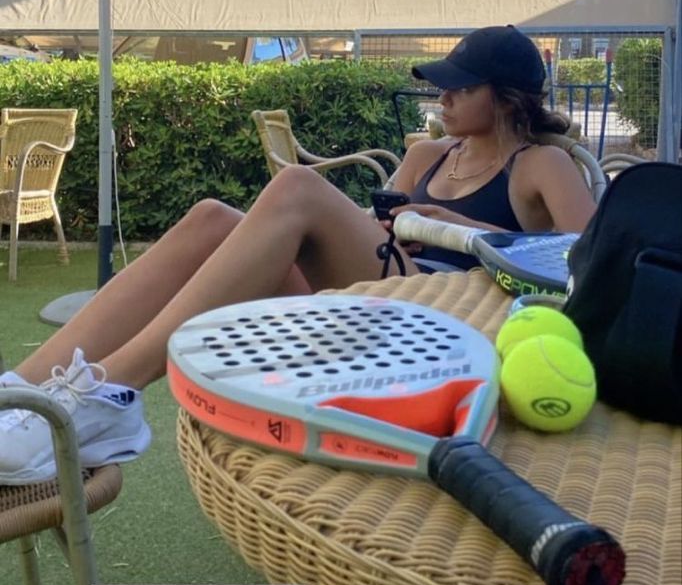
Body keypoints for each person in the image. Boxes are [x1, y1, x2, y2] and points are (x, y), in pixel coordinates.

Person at [0, 25, 596, 484]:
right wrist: (379, 226)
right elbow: (366, 235)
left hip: (448, 326)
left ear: (509, 98)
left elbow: (592, 261)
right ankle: (19, 392)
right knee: (211, 216)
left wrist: (465, 228)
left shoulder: (543, 164)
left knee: (296, 187)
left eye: (462, 86)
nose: (442, 96)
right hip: (377, 302)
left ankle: (111, 393)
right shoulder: (428, 155)